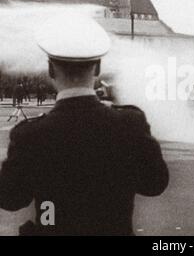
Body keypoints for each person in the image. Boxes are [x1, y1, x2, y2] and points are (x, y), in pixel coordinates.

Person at [0, 15, 169, 235]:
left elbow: (10, 198)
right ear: (97, 68)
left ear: (51, 70)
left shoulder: (31, 135)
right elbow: (155, 185)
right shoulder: (130, 123)